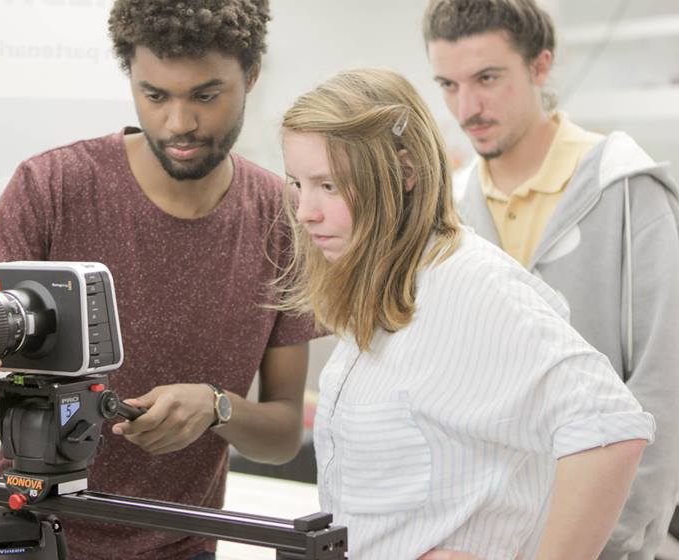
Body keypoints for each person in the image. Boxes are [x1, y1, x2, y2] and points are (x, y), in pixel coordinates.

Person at [0, 0, 318, 560]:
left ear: (251, 75)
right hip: (30, 538)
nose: (179, 122)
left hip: (183, 550)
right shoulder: (51, 188)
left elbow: (283, 433)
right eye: (155, 95)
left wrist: (216, 408)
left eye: (206, 96)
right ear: (130, 75)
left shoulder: (280, 218)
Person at [277, 67, 654, 560]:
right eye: (298, 184)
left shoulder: (469, 284)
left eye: (328, 185)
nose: (305, 211)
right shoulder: (388, 288)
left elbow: (610, 428)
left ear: (406, 174)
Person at [423, 0, 679, 560]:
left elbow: (662, 391)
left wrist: (598, 541)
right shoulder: (449, 212)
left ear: (540, 67)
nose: (466, 108)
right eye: (448, 85)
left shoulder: (627, 193)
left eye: (487, 79)